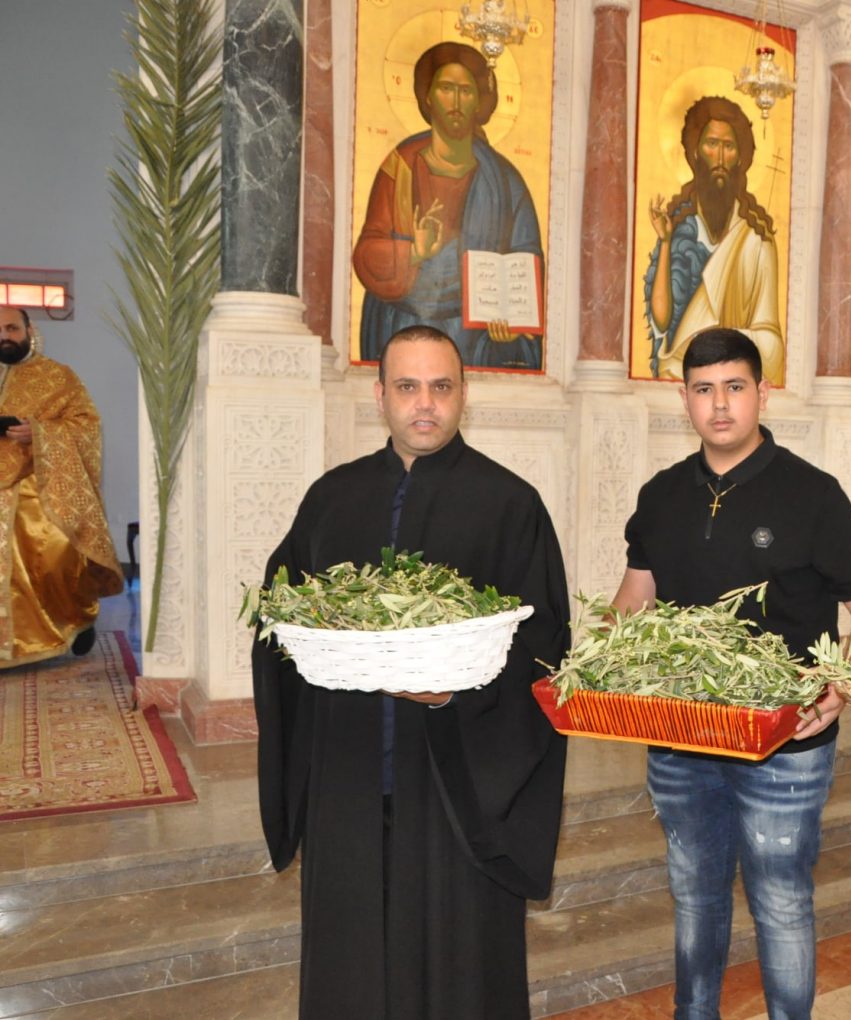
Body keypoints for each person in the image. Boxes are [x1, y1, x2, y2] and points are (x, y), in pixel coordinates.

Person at [252, 324, 569, 1018]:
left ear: (463, 395)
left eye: (440, 386)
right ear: (380, 396)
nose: (425, 403)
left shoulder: (509, 504)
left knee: (457, 966)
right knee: (350, 963)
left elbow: (545, 647)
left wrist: (457, 693)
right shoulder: (331, 498)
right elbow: (279, 618)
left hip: (455, 781)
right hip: (348, 772)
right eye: (407, 386)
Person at [613, 327, 851, 1020]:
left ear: (762, 394)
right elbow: (633, 601)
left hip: (785, 743)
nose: (720, 405)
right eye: (704, 390)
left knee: (782, 900)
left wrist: (840, 689)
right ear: (684, 399)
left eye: (735, 387)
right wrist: (598, 665)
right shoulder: (661, 495)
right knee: (694, 896)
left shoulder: (812, 495)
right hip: (681, 738)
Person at [353, 41, 544, 370]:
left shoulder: (505, 180)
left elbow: (525, 256)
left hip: (475, 336)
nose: (455, 102)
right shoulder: (400, 168)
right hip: (404, 327)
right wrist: (414, 252)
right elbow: (367, 252)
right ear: (427, 97)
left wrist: (513, 322)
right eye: (445, 89)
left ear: (479, 101)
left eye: (466, 91)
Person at [0, 305, 124, 668]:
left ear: (29, 331)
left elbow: (86, 425)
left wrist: (39, 433)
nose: (4, 336)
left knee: (56, 554)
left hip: (40, 484)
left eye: (12, 328)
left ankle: (74, 620)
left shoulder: (58, 377)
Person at [643, 97, 784, 383]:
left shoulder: (757, 240)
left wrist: (723, 338)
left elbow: (772, 346)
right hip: (681, 372)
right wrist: (666, 242)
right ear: (695, 152)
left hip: (732, 378)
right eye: (711, 144)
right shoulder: (677, 229)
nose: (719, 158)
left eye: (729, 146)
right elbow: (661, 323)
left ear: (741, 157)